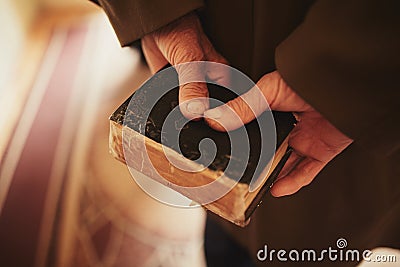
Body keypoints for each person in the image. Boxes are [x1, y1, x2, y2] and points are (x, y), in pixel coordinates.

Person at [90, 0, 400, 265]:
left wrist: (336, 77)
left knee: (326, 238)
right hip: (211, 43)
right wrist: (157, 14)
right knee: (223, 238)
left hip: (349, 144)